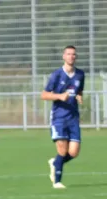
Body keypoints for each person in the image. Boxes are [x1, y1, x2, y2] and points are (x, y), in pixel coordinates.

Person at [41, 45, 85, 189]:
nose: (71, 56)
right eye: (68, 54)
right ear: (63, 56)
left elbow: (79, 91)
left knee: (73, 152)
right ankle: (57, 181)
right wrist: (59, 96)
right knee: (62, 150)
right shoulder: (57, 75)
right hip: (59, 118)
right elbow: (44, 95)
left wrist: (79, 97)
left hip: (73, 118)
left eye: (73, 54)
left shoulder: (80, 74)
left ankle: (55, 163)